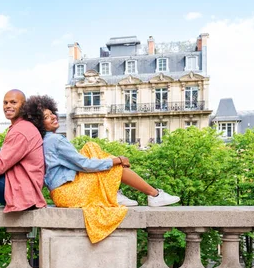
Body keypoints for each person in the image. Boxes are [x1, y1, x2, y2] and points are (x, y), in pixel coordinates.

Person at [22, 95, 180, 243]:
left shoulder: (44, 141)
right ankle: (154, 194)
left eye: (52, 113)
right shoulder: (55, 140)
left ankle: (114, 193)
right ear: (39, 123)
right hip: (69, 193)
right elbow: (83, 164)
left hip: (60, 194)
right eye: (46, 117)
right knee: (107, 161)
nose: (53, 117)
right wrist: (115, 160)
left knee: (92, 149)